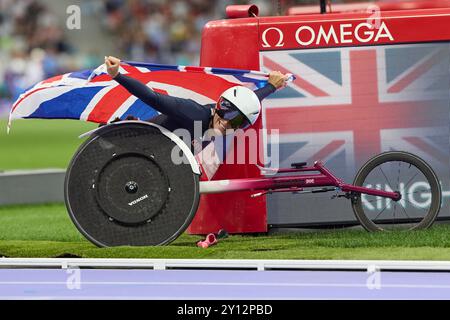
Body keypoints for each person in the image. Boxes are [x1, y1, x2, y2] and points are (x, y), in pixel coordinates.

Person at [104, 56, 289, 153]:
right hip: (127, 145)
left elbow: (246, 104)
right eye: (227, 115)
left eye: (236, 122)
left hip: (159, 158)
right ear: (219, 106)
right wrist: (117, 75)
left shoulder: (226, 114)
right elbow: (153, 99)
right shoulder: (193, 113)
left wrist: (272, 86)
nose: (227, 123)